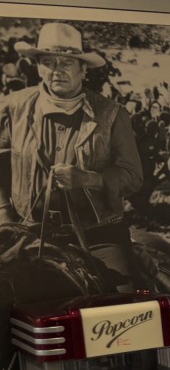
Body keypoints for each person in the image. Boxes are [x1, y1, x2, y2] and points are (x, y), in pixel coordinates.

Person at [0, 22, 142, 288]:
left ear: (83, 69)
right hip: (28, 229)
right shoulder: (13, 107)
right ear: (38, 67)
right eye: (48, 62)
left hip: (99, 232)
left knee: (124, 303)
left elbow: (133, 176)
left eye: (66, 63)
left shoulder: (111, 114)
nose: (57, 71)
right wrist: (5, 215)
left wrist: (89, 179)